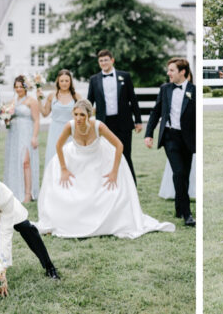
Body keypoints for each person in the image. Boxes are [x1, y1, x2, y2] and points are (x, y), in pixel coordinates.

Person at [35, 100, 175, 238]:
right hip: (75, 160)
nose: (78, 118)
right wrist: (64, 169)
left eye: (82, 115)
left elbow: (119, 145)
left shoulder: (98, 126)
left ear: (89, 115)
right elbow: (58, 145)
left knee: (107, 191)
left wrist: (114, 171)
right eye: (76, 114)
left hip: (99, 160)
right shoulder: (69, 126)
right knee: (66, 190)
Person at [145, 57, 197, 227]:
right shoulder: (165, 89)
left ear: (182, 72)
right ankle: (187, 214)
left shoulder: (193, 90)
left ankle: (179, 207)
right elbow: (156, 111)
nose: (168, 73)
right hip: (170, 138)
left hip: (188, 139)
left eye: (172, 70)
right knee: (179, 172)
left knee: (185, 175)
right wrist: (149, 133)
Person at [87, 49, 143, 184]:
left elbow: (133, 99)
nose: (103, 63)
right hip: (104, 124)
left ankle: (130, 185)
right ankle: (108, 185)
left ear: (112, 60)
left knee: (125, 154)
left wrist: (138, 120)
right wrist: (87, 122)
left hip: (123, 122)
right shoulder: (94, 80)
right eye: (101, 61)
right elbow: (89, 102)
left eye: (106, 60)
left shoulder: (125, 76)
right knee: (106, 156)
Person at [4, 76, 40, 202]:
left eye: (21, 86)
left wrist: (34, 137)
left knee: (26, 162)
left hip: (27, 132)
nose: (18, 89)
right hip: (14, 133)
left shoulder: (32, 101)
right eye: (16, 87)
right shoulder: (13, 101)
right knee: (15, 161)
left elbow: (36, 120)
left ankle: (28, 193)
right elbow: (8, 115)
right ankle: (15, 189)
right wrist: (6, 117)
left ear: (26, 87)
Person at [40, 69, 79, 167]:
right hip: (55, 131)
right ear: (58, 81)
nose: (64, 83)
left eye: (67, 81)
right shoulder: (52, 96)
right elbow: (45, 113)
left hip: (71, 131)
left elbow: (83, 114)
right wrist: (38, 100)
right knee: (54, 157)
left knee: (70, 159)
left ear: (70, 82)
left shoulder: (76, 96)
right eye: (62, 81)